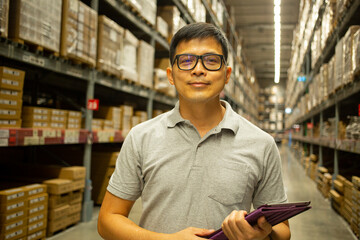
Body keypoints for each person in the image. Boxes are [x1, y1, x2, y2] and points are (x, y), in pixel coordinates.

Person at [98, 22, 291, 240]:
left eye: (211, 61)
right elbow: (108, 219)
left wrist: (261, 236)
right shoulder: (141, 137)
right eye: (186, 61)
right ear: (171, 75)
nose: (198, 70)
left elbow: (283, 231)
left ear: (227, 75)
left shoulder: (261, 143)